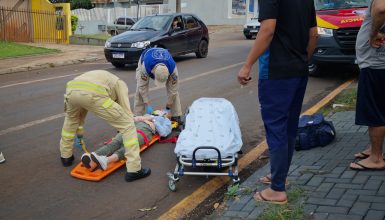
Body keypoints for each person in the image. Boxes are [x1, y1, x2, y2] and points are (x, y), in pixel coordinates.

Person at [237, 0, 318, 204]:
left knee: (276, 129)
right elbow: (313, 34)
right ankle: (279, 176)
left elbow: (268, 29)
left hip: (276, 73)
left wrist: (247, 65)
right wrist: (301, 61)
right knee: (289, 127)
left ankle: (277, 189)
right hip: (298, 71)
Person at [59, 70, 151, 182]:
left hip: (71, 90)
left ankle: (66, 156)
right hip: (93, 94)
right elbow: (126, 112)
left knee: (70, 122)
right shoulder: (121, 85)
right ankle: (134, 170)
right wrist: (124, 125)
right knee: (128, 126)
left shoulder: (106, 78)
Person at [350, 0, 385, 171]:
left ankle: (376, 158)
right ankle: (375, 149)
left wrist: (373, 33)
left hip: (376, 61)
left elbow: (381, 9)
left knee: (374, 110)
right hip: (379, 62)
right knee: (380, 107)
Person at [81, 115, 172, 171]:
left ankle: (106, 161)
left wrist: (153, 120)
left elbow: (164, 132)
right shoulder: (149, 115)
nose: (161, 111)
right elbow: (133, 118)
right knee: (116, 141)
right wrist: (144, 118)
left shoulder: (166, 121)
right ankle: (93, 159)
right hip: (132, 127)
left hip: (145, 131)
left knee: (128, 146)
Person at [134, 47, 182, 123]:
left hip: (165, 61)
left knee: (174, 92)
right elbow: (142, 87)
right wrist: (147, 104)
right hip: (146, 57)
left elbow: (173, 89)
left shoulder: (173, 69)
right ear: (153, 72)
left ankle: (176, 114)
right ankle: (137, 115)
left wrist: (168, 106)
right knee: (139, 89)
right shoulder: (145, 66)